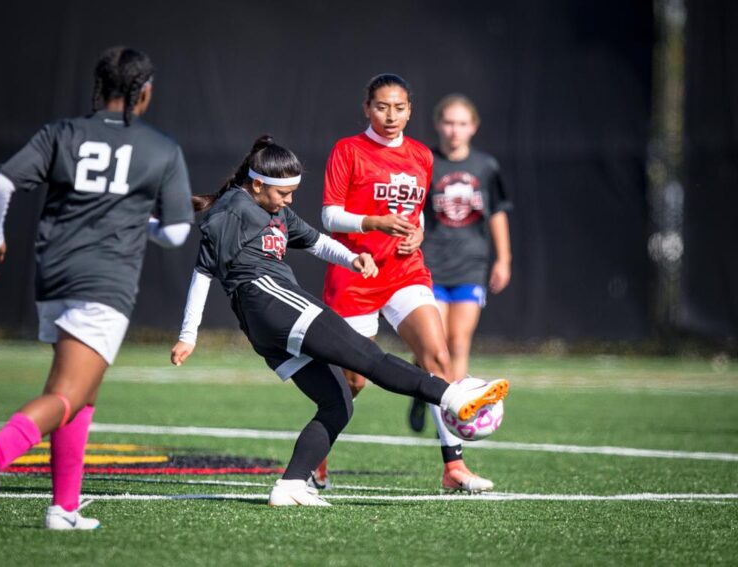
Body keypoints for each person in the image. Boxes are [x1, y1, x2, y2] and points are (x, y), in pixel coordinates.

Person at [169, 135, 509, 507]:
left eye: (293, 191)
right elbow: (203, 272)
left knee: (338, 402)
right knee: (368, 357)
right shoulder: (232, 210)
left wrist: (353, 260)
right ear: (257, 184)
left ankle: (292, 485)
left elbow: (316, 241)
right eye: (284, 192)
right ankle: (454, 396)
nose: (290, 199)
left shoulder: (274, 209)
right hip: (271, 303)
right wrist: (189, 335)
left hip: (265, 323)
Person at [0, 46, 194, 529]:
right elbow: (176, 234)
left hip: (52, 276)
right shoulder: (161, 149)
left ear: (100, 86)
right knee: (70, 392)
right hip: (105, 282)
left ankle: (64, 508)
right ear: (146, 91)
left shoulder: (62, 132)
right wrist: (144, 221)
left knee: (81, 390)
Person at [316, 74, 497, 493]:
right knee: (352, 382)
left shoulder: (420, 155)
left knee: (438, 357)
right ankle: (318, 453)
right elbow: (329, 216)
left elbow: (413, 213)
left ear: (410, 110)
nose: (391, 115)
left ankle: (453, 467)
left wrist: (416, 232)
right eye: (382, 106)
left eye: (399, 108)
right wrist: (375, 222)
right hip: (354, 273)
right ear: (367, 108)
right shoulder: (349, 150)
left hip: (404, 270)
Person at [407, 94, 512, 432]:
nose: (455, 130)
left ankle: (455, 412)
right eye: (449, 123)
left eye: (462, 123)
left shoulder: (486, 166)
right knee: (434, 344)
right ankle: (427, 392)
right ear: (438, 124)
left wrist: (503, 259)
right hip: (431, 263)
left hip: (471, 264)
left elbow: (496, 213)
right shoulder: (425, 163)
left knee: (458, 341)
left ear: (474, 127)